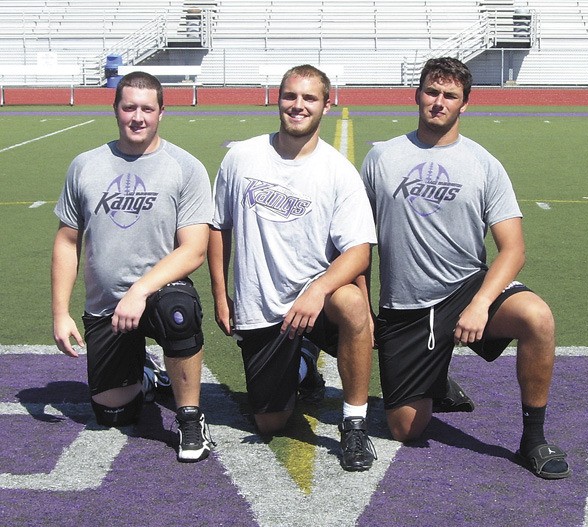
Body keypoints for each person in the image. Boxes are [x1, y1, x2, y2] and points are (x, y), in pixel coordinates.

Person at [360, 57, 571, 479]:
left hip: (467, 290)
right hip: (407, 307)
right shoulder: (381, 158)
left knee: (537, 318)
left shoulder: (484, 163)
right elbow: (359, 242)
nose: (439, 102)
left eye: (450, 96)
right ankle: (437, 379)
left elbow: (513, 249)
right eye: (432, 92)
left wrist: (480, 304)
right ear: (417, 95)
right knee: (405, 429)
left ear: (464, 104)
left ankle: (533, 438)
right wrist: (366, 309)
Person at [208, 64, 377, 471]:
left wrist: (317, 291)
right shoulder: (242, 157)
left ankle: (354, 424)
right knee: (270, 422)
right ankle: (304, 367)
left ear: (326, 105)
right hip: (262, 306)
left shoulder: (339, 172)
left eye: (309, 98)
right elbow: (219, 226)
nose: (298, 106)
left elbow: (359, 253)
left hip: (317, 302)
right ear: (278, 98)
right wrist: (219, 293)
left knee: (353, 303)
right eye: (290, 96)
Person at [51, 71, 214, 463]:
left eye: (146, 108)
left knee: (180, 312)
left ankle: (190, 418)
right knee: (113, 415)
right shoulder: (85, 165)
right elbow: (67, 241)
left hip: (158, 295)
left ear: (161, 112)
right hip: (106, 308)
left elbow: (193, 250)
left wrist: (140, 290)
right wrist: (60, 313)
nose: (137, 117)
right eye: (129, 107)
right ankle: (143, 373)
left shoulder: (184, 167)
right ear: (116, 109)